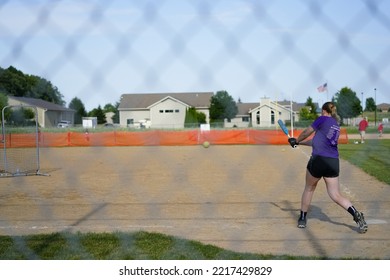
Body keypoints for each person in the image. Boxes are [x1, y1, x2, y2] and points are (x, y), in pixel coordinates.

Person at [288, 102, 368, 233]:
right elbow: (316, 142)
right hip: (333, 162)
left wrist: (296, 140)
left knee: (309, 188)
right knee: (336, 194)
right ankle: (355, 214)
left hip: (319, 160)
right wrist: (299, 143)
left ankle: (302, 218)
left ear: (324, 111)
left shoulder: (322, 119)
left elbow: (306, 132)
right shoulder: (335, 125)